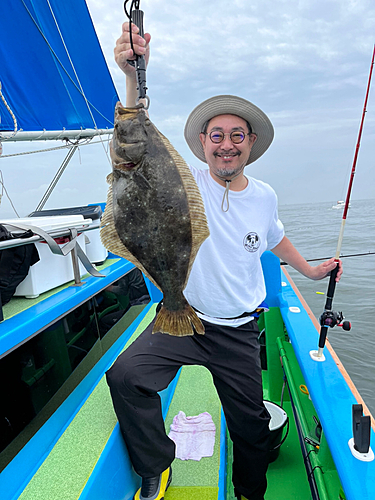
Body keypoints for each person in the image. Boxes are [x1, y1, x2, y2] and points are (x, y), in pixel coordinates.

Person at [106, 22, 343, 500]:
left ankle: (249, 493)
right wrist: (135, 75)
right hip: (184, 316)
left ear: (250, 143)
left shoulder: (265, 196)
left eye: (237, 135)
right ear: (203, 143)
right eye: (217, 135)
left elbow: (276, 239)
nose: (226, 143)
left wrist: (311, 270)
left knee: (252, 429)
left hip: (237, 330)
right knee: (126, 376)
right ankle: (157, 464)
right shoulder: (186, 179)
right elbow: (133, 136)